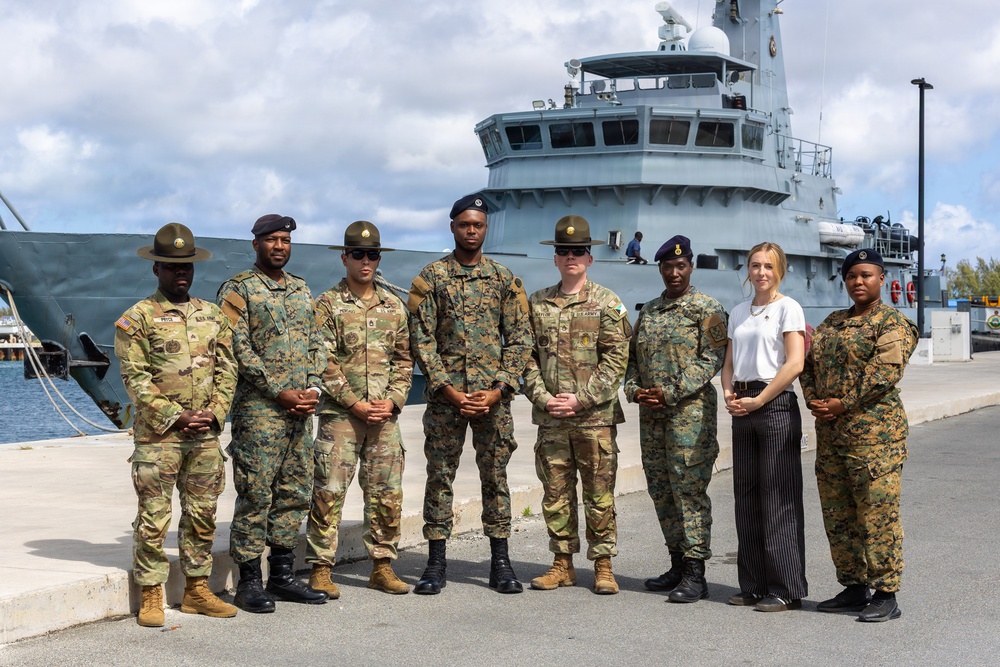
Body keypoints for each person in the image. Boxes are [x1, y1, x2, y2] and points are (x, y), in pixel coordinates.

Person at [407, 193, 533, 595]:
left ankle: (501, 563)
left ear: (485, 228)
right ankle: (435, 563)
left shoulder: (503, 279)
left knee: (495, 478)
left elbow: (519, 339)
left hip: (492, 401)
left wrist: (499, 389)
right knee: (439, 477)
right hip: (447, 402)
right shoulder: (432, 278)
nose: (472, 230)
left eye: (478, 224)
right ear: (453, 227)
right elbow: (421, 339)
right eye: (465, 224)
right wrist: (447, 388)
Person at [115, 222, 238, 627]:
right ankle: (151, 592)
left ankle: (197, 591)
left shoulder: (213, 316)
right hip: (158, 438)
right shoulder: (137, 320)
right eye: (171, 266)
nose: (179, 272)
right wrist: (176, 415)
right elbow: (136, 380)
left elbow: (228, 370)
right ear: (156, 269)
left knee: (202, 514)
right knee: (154, 517)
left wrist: (215, 413)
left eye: (185, 265)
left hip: (204, 435)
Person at [217, 214, 328, 613]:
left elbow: (317, 341)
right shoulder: (238, 290)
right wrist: (277, 390)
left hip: (301, 411)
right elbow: (236, 346)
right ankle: (250, 582)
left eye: (285, 240)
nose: (279, 247)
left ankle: (282, 575)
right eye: (272, 241)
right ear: (256, 245)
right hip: (260, 411)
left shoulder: (300, 289)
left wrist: (313, 387)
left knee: (294, 492)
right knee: (255, 494)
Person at [800, 248, 918, 622]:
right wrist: (814, 399)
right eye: (852, 276)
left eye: (866, 275)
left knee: (877, 516)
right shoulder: (832, 323)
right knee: (839, 515)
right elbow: (807, 364)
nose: (859, 282)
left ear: (882, 279)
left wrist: (842, 403)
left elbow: (885, 373)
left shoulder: (892, 323)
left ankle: (886, 593)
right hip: (833, 438)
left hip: (876, 440)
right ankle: (853, 586)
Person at [523, 215, 631, 595]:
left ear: (590, 258)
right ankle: (562, 564)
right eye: (563, 251)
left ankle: (603, 566)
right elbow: (525, 359)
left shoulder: (607, 303)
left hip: (595, 419)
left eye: (578, 251)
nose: (571, 256)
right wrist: (545, 397)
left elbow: (617, 359)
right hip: (552, 418)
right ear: (555, 258)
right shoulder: (536, 304)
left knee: (599, 494)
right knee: (555, 494)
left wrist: (582, 399)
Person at [306, 221, 413, 597]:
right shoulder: (327, 305)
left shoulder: (394, 308)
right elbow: (322, 359)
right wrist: (354, 402)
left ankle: (382, 566)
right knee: (328, 492)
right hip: (341, 417)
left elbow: (404, 361)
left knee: (386, 493)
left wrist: (394, 400)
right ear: (344, 258)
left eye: (372, 255)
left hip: (384, 417)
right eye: (357, 254)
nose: (365, 261)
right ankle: (320, 568)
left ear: (378, 259)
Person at [624, 235, 728, 603]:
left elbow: (711, 359)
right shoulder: (649, 311)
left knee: (688, 490)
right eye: (667, 267)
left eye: (680, 266)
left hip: (690, 417)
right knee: (661, 490)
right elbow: (632, 359)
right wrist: (634, 390)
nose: (673, 273)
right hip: (651, 418)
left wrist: (668, 391)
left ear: (690, 268)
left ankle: (696, 572)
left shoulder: (707, 308)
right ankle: (677, 563)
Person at [721, 241, 808, 612]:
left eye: (768, 266)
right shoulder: (740, 311)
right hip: (742, 404)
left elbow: (794, 364)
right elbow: (729, 361)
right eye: (755, 265)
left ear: (780, 270)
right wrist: (727, 392)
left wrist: (760, 399)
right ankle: (753, 584)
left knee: (779, 497)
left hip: (774, 405)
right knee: (746, 497)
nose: (761, 273)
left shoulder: (788, 308)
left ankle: (786, 588)